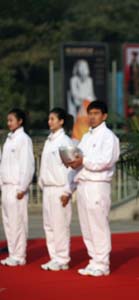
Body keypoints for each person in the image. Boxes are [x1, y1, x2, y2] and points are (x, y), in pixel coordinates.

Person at [65, 100, 120, 277]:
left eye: (96, 113)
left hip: (98, 185)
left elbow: (106, 161)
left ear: (104, 116)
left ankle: (103, 264)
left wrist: (83, 161)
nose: (92, 117)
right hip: (83, 184)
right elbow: (78, 157)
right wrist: (72, 163)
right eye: (90, 113)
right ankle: (93, 260)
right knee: (87, 226)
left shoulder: (109, 137)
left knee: (98, 224)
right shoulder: (87, 137)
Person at [38, 108, 73, 271]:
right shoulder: (49, 141)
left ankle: (62, 258)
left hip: (60, 188)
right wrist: (41, 182)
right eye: (49, 119)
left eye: (53, 119)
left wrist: (67, 191)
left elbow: (72, 167)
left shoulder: (65, 141)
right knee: (49, 225)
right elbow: (44, 165)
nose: (49, 121)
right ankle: (54, 257)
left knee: (60, 225)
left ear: (61, 121)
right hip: (48, 188)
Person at [0, 108, 35, 267]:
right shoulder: (9, 139)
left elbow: (27, 164)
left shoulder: (23, 139)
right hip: (6, 186)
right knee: (8, 222)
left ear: (20, 121)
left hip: (16, 187)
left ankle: (20, 255)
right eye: (8, 120)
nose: (9, 123)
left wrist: (22, 187)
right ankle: (13, 253)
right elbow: (3, 164)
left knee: (18, 222)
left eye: (11, 120)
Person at [68, 59, 96, 141]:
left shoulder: (89, 80)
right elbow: (74, 94)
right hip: (77, 104)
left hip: (88, 103)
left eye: (85, 67)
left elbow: (92, 94)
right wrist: (84, 99)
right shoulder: (73, 80)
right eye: (81, 67)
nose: (83, 69)